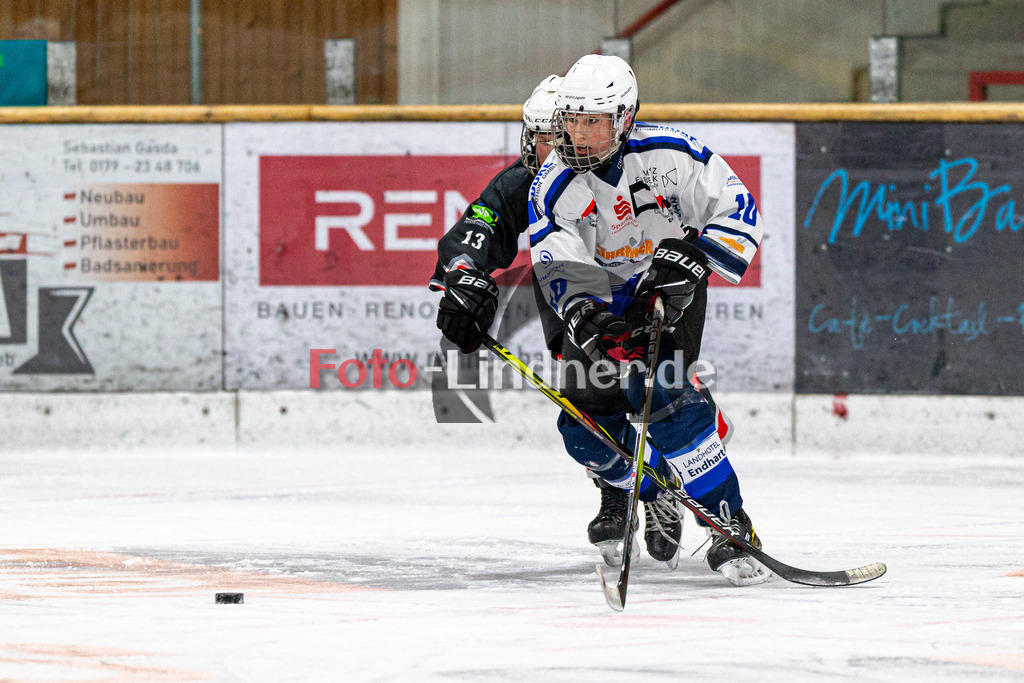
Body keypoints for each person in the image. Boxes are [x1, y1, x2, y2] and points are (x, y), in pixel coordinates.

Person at [432, 73, 735, 569]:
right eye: (545, 137)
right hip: (575, 301)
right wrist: (462, 277)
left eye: (567, 132)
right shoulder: (528, 183)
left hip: (644, 293)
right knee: (588, 412)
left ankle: (698, 484)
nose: (558, 147)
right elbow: (475, 231)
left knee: (662, 391)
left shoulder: (630, 161)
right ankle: (630, 491)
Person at [527, 53, 770, 585]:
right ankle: (656, 483)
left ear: (625, 118)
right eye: (571, 120)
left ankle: (730, 524)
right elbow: (557, 260)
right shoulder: (550, 185)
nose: (579, 135)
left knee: (668, 398)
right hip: (604, 299)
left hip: (667, 291)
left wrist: (694, 259)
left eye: (593, 121)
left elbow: (738, 207)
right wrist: (587, 314)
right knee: (584, 431)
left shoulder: (673, 153)